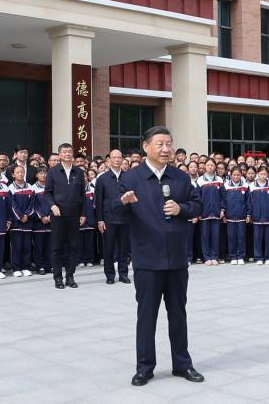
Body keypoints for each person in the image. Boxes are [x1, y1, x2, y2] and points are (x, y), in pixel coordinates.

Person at [118, 126, 204, 387]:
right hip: (147, 260)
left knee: (178, 313)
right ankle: (144, 367)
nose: (166, 149)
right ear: (146, 147)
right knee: (147, 315)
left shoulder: (180, 177)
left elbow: (197, 205)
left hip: (177, 258)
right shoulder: (131, 179)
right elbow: (112, 210)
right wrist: (122, 202)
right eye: (160, 144)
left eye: (169, 143)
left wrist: (182, 208)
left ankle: (182, 364)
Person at [44, 144, 85, 289]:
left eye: (70, 151)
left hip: (74, 215)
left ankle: (70, 276)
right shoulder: (53, 172)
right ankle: (58, 278)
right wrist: (52, 206)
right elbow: (47, 193)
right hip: (58, 214)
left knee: (73, 246)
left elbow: (82, 195)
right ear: (60, 155)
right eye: (64, 152)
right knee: (57, 247)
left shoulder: (79, 172)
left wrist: (83, 213)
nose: (67, 154)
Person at [95, 149, 131, 284]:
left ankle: (123, 274)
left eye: (119, 157)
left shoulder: (128, 177)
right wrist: (100, 220)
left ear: (122, 159)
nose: (117, 159)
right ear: (109, 160)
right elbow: (98, 201)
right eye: (114, 157)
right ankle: (110, 275)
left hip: (125, 218)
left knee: (124, 248)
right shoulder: (102, 178)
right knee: (108, 249)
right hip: (108, 219)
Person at [7, 164, 35, 278]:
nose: (21, 174)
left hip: (28, 221)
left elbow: (33, 203)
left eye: (22, 172)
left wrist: (27, 214)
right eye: (18, 172)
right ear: (13, 175)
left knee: (27, 246)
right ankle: (16, 268)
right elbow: (12, 205)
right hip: (16, 222)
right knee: (17, 246)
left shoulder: (30, 187)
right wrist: (20, 216)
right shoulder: (10, 188)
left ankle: (26, 267)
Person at [222, 168, 249, 265]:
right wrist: (223, 214)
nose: (236, 177)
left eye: (238, 175)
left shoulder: (245, 186)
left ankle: (241, 256)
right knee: (232, 237)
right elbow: (223, 200)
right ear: (231, 175)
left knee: (241, 237)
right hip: (230, 217)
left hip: (242, 217)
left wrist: (248, 214)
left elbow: (248, 201)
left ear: (241, 175)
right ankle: (233, 256)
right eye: (234, 175)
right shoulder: (226, 186)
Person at [247, 168, 269, 264]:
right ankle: (258, 257)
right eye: (261, 174)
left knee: (268, 238)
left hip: (268, 216)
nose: (263, 176)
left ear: (268, 175)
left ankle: (267, 257)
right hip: (257, 217)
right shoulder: (251, 186)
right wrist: (249, 214)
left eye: (265, 174)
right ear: (257, 174)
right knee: (257, 238)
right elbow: (249, 203)